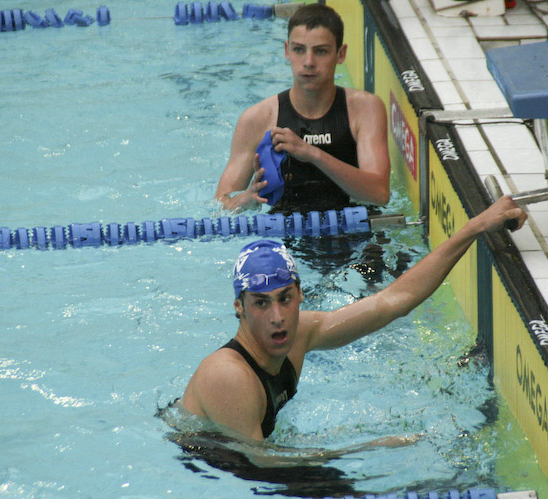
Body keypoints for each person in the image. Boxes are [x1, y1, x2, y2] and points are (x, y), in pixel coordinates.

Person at [179, 196, 527, 440]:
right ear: (239, 308)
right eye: (260, 303)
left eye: (285, 299)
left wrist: (475, 227)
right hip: (204, 467)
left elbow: (393, 301)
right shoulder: (228, 377)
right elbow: (260, 466)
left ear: (300, 294)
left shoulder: (301, 333)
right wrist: (368, 446)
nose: (277, 317)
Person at [214, 4, 390, 214]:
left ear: (340, 54)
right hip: (283, 230)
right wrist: (246, 198)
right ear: (287, 51)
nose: (308, 62)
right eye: (299, 49)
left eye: (321, 51)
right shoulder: (258, 118)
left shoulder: (364, 109)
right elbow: (220, 205)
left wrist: (312, 154)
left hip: (354, 227)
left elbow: (380, 193)